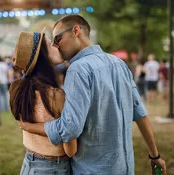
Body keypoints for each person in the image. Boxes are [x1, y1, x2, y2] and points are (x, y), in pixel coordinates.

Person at [18, 15, 166, 175]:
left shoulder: (78, 69)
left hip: (91, 169)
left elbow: (70, 129)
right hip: (125, 168)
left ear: (76, 31)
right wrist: (155, 155)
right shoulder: (119, 63)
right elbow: (141, 115)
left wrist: (29, 127)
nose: (56, 45)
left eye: (58, 39)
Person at [10, 30, 77, 175]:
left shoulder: (18, 90)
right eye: (49, 44)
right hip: (53, 168)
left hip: (29, 164)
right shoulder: (56, 96)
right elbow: (70, 151)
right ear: (43, 57)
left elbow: (24, 124)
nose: (56, 45)